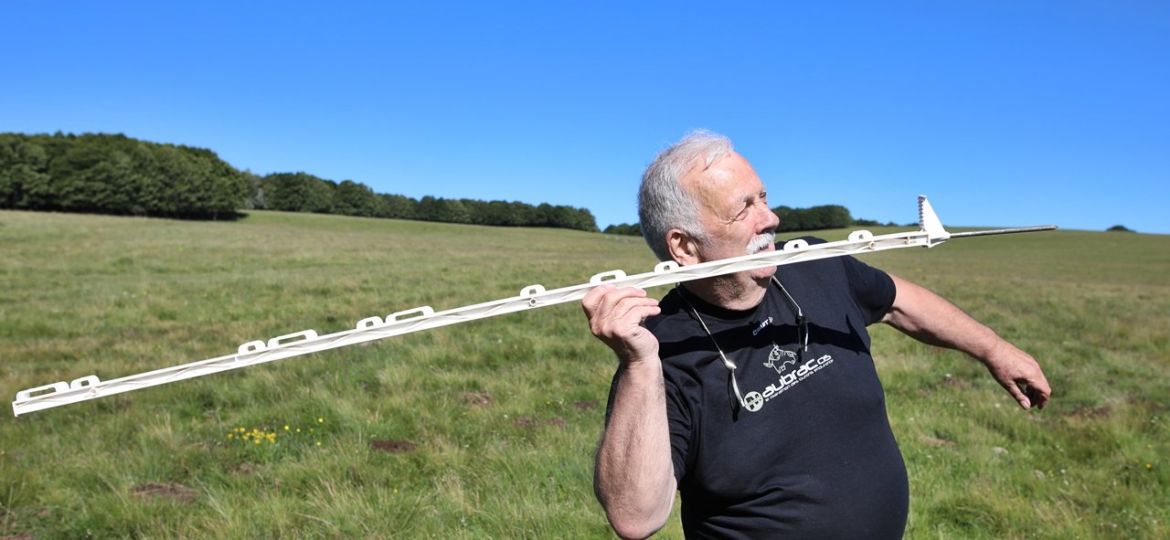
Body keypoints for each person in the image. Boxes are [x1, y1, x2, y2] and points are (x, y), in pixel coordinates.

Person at [582, 131, 1051, 539]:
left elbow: (896, 301)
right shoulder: (665, 350)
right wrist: (639, 365)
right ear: (684, 246)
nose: (769, 219)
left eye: (763, 197)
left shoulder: (814, 263)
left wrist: (994, 348)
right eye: (743, 208)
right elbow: (634, 517)